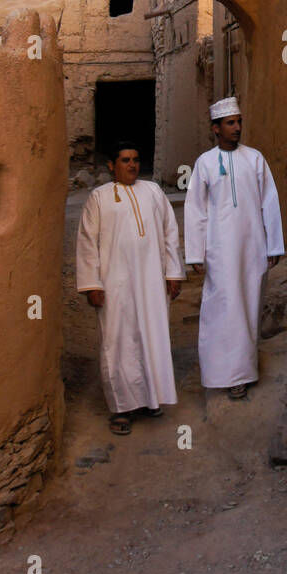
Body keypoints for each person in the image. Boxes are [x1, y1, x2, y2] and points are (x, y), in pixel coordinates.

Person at [76, 140, 184, 435]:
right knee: (118, 341)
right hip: (115, 283)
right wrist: (91, 283)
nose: (132, 165)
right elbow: (87, 244)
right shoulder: (98, 198)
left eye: (135, 159)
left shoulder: (153, 192)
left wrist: (174, 273)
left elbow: (169, 233)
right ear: (112, 165)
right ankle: (122, 408)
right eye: (125, 160)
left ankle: (150, 399)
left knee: (152, 337)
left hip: (151, 280)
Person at [184, 97, 284, 400]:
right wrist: (194, 252)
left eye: (239, 121)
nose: (237, 127)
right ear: (216, 128)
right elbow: (195, 210)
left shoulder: (255, 159)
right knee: (223, 306)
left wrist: (274, 244)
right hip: (219, 249)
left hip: (252, 246)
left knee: (249, 303)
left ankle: (243, 372)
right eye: (230, 123)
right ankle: (221, 372)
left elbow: (270, 201)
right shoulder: (204, 163)